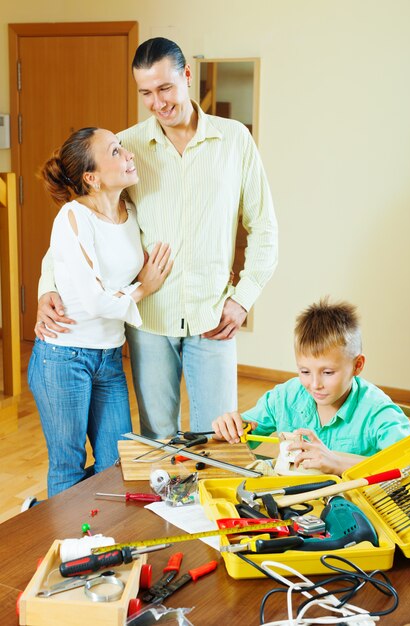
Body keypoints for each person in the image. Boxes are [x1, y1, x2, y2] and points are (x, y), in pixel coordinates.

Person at [35, 37, 278, 440]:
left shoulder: (235, 141)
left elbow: (265, 228)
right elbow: (78, 223)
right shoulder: (125, 148)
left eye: (165, 88)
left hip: (213, 317)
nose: (157, 102)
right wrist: (48, 288)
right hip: (149, 320)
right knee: (158, 440)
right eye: (146, 92)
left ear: (186, 76)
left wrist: (243, 299)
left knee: (219, 439)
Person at [28, 127, 172, 497]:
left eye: (123, 148)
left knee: (116, 463)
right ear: (91, 177)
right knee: (67, 465)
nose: (128, 155)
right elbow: (93, 300)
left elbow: (65, 265)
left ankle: (45, 515)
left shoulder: (133, 212)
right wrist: (144, 287)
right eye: (115, 151)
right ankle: (71, 546)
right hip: (63, 356)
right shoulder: (74, 217)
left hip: (108, 358)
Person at [212, 298, 410, 475]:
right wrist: (229, 429)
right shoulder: (285, 397)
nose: (315, 384)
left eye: (328, 373)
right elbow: (241, 442)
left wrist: (338, 462)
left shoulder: (378, 411)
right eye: (305, 372)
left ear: (357, 365)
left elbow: (408, 467)